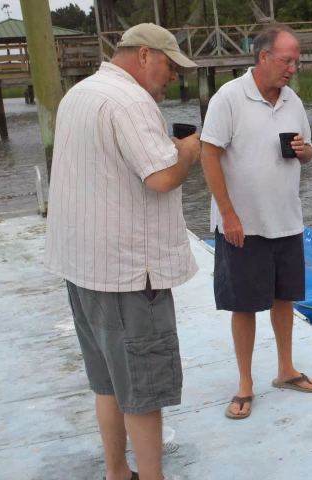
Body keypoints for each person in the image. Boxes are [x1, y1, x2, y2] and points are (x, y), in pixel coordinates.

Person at [43, 24, 202, 480]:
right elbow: (162, 178)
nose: (173, 75)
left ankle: (117, 472)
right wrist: (187, 151)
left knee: (108, 382)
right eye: (171, 65)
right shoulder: (132, 101)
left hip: (82, 267)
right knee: (143, 392)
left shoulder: (81, 93)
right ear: (146, 55)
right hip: (129, 274)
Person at [200, 25, 312, 421]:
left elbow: (307, 153)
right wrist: (228, 213)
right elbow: (208, 155)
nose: (292, 69)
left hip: (286, 219)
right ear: (263, 56)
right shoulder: (230, 98)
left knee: (285, 298)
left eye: (296, 62)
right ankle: (244, 385)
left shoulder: (293, 101)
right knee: (245, 305)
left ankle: (286, 370)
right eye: (287, 60)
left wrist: (305, 152)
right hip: (243, 225)